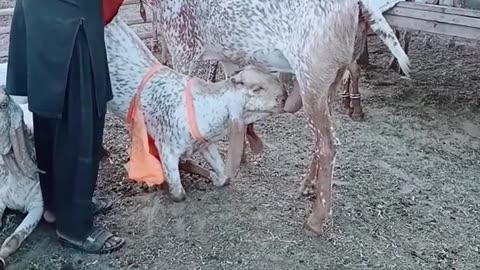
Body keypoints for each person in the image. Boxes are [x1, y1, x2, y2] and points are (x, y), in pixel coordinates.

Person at [6, 0, 126, 253]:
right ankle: (74, 226)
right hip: (70, 17)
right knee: (80, 115)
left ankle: (56, 205)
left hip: (45, 14)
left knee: (52, 105)